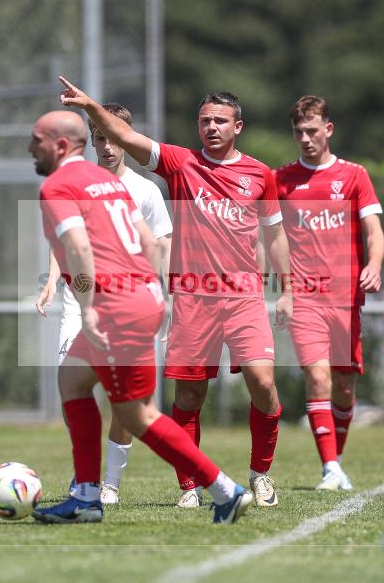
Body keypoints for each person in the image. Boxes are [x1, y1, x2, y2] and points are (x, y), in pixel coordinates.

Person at [59, 76, 293, 509]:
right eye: (205, 120)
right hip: (192, 299)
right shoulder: (181, 163)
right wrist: (90, 105)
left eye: (221, 121)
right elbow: (126, 135)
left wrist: (288, 291)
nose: (212, 127)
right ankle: (190, 487)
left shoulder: (260, 174)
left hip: (243, 297)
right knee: (188, 398)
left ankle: (260, 473)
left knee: (263, 384)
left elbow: (275, 234)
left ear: (238, 126)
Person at [29, 110, 253, 525]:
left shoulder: (59, 185)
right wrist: (156, 299)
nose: (30, 147)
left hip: (115, 304)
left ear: (61, 145)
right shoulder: (108, 183)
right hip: (141, 298)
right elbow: (149, 242)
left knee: (137, 415)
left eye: (36, 139)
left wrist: (91, 308)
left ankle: (224, 489)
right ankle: (88, 494)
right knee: (74, 380)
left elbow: (78, 249)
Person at [36, 103, 173, 505]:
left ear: (126, 139)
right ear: (91, 140)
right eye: (99, 137)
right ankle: (87, 477)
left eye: (114, 138)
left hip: (125, 303)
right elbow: (66, 239)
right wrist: (49, 282)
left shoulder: (145, 189)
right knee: (71, 385)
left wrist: (160, 293)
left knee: (125, 403)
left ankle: (108, 483)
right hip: (80, 301)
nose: (108, 146)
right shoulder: (77, 181)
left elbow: (159, 244)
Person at [273, 95, 384, 491]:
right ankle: (330, 466)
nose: (305, 138)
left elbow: (374, 230)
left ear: (328, 130)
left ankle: (336, 461)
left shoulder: (354, 176)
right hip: (304, 298)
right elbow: (267, 236)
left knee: (344, 386)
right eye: (298, 132)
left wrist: (374, 264)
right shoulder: (281, 180)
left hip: (345, 298)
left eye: (312, 130)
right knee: (317, 375)